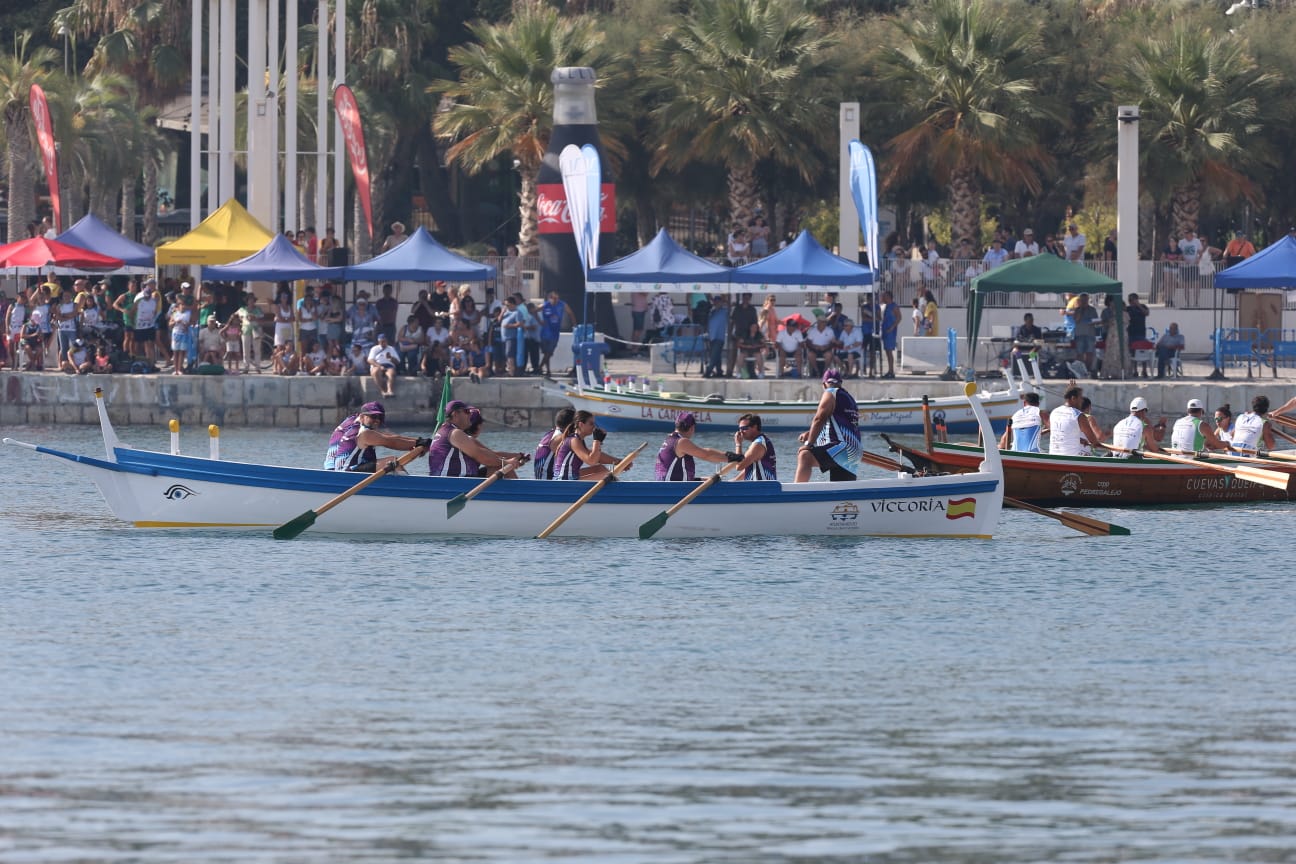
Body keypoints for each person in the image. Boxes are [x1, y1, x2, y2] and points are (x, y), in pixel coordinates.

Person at [427, 400, 525, 478]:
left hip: (452, 480)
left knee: (500, 466)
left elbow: (487, 454)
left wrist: (514, 458)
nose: (470, 414)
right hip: (453, 484)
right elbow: (482, 457)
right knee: (502, 466)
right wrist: (507, 462)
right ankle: (522, 498)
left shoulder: (444, 431)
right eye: (466, 411)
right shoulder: (455, 433)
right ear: (455, 414)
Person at [795, 368, 861, 482]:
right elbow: (838, 425)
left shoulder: (830, 392)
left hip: (843, 448)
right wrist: (810, 433)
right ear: (840, 383)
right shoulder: (850, 399)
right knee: (841, 492)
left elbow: (819, 419)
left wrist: (809, 444)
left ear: (824, 384)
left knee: (805, 456)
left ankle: (794, 496)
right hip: (854, 451)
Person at [323, 401, 429, 472]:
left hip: (338, 469)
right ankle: (410, 493)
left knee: (392, 463)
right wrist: (418, 443)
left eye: (380, 417)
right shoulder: (364, 433)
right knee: (392, 461)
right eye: (373, 416)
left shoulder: (352, 421)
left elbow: (388, 437)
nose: (377, 420)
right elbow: (390, 442)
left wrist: (419, 442)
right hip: (347, 473)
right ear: (362, 416)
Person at [655, 411, 736, 481]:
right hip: (673, 489)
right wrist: (731, 457)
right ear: (692, 428)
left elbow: (675, 473)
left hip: (666, 486)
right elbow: (706, 455)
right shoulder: (681, 442)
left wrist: (701, 479)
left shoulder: (668, 440)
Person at [553, 409, 630, 480]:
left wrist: (619, 462)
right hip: (564, 481)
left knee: (600, 469)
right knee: (607, 475)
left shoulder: (579, 440)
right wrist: (597, 441)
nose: (594, 427)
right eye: (591, 424)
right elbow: (591, 461)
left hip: (571, 477)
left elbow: (597, 457)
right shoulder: (574, 440)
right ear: (581, 425)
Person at [730, 413, 777, 480]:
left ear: (755, 427)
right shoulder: (762, 440)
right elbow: (749, 467)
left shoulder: (758, 445)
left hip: (761, 488)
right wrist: (735, 480)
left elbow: (739, 466)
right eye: (739, 429)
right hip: (765, 487)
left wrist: (738, 444)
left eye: (744, 428)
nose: (741, 432)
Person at [533, 407, 576, 479]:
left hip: (543, 479)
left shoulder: (550, 434)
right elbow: (589, 458)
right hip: (549, 483)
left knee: (598, 469)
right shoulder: (561, 438)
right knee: (599, 471)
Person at [1048, 386, 1087, 456]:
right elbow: (1094, 441)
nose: (1082, 400)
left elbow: (1060, 432)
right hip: (1072, 457)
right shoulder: (1079, 415)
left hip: (1053, 455)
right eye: (1081, 398)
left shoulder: (1054, 411)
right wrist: (1096, 444)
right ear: (1073, 398)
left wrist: (1079, 439)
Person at [726, 293, 757, 377]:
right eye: (745, 298)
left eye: (748, 298)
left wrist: (753, 336)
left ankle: (749, 372)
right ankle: (729, 371)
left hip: (747, 336)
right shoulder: (737, 308)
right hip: (737, 335)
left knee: (749, 353)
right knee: (732, 352)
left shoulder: (752, 309)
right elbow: (732, 322)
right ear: (742, 298)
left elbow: (755, 324)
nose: (746, 299)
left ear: (750, 299)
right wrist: (730, 334)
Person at [877, 290, 899, 378]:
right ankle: (889, 370)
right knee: (887, 352)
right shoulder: (885, 306)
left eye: (884, 296)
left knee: (889, 352)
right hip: (885, 331)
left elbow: (899, 317)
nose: (882, 298)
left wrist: (892, 327)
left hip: (890, 332)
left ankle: (891, 371)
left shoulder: (894, 306)